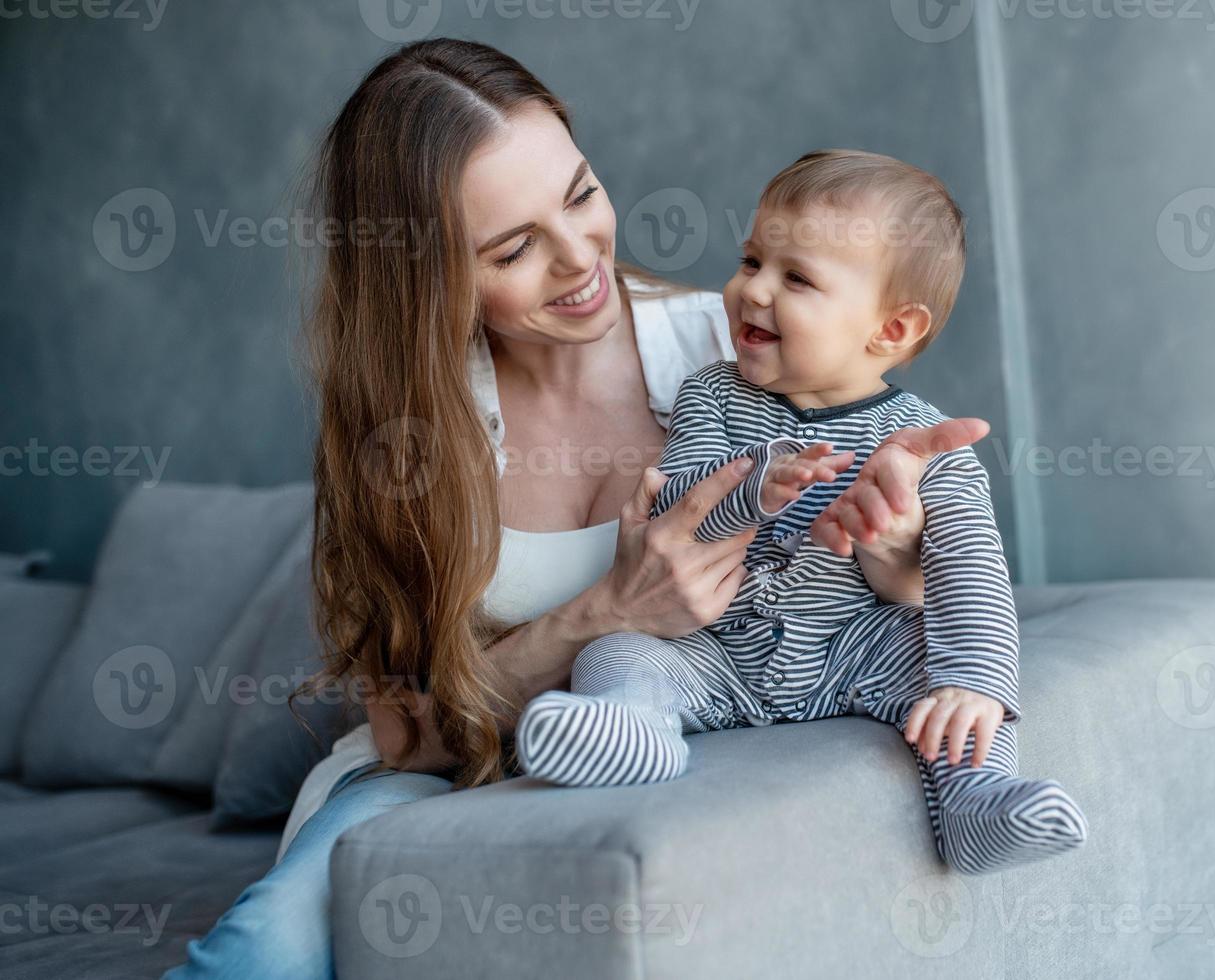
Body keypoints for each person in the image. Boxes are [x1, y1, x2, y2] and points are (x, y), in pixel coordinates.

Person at [165, 42, 968, 979]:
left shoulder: (744, 346)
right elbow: (407, 738)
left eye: (581, 195)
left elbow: (894, 598)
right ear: (427, 277)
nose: (582, 258)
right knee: (259, 950)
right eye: (514, 248)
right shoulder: (401, 434)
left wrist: (898, 551)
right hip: (432, 787)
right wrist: (607, 615)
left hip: (676, 748)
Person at [514, 150, 1089, 875]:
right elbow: (676, 502)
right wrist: (754, 487)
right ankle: (633, 731)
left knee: (945, 680)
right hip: (716, 652)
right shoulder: (713, 396)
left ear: (891, 330)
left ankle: (976, 798)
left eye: (797, 279)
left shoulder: (920, 443)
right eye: (752, 260)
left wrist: (973, 684)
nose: (753, 291)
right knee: (615, 655)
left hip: (853, 647)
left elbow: (970, 567)